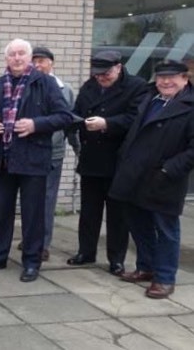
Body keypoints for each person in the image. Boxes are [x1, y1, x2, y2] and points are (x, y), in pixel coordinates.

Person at [0, 39, 74, 282]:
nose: (17, 58)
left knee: (33, 216)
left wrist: (35, 124)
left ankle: (31, 262)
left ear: (29, 58)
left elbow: (65, 116)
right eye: (12, 54)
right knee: (2, 213)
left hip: (33, 159)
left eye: (21, 53)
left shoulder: (46, 83)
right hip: (3, 160)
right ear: (6, 59)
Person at [109, 60, 194, 299]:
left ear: (184, 79)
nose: (165, 82)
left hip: (164, 178)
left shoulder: (189, 106)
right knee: (139, 224)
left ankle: (165, 278)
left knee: (166, 229)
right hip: (135, 174)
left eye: (171, 77)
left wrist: (169, 169)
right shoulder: (150, 98)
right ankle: (146, 267)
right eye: (161, 77)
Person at [67, 50, 148, 276]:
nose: (101, 78)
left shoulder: (137, 87)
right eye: (97, 74)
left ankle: (116, 259)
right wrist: (75, 122)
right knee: (89, 211)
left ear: (118, 67)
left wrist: (107, 123)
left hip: (119, 160)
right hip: (92, 159)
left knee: (117, 215)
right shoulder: (89, 86)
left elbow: (135, 118)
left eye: (106, 74)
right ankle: (86, 252)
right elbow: (77, 111)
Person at [28, 46, 79, 261]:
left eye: (41, 61)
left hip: (53, 153)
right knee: (30, 199)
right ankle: (31, 238)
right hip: (29, 152)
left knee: (47, 200)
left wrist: (77, 149)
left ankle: (43, 244)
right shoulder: (26, 86)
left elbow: (71, 121)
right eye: (34, 61)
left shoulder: (64, 90)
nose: (37, 65)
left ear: (52, 63)